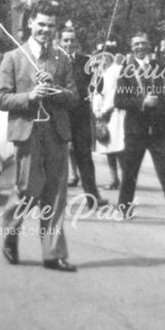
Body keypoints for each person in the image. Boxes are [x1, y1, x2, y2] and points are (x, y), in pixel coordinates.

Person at [0, 0, 79, 272]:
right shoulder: (13, 58)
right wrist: (30, 96)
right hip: (28, 132)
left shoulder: (62, 59)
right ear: (30, 23)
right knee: (27, 192)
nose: (46, 30)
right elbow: (1, 99)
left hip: (55, 133)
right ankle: (10, 234)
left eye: (51, 26)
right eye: (41, 24)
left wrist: (56, 91)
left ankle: (52, 253)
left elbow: (74, 96)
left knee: (55, 194)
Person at [114, 30, 165, 224]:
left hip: (158, 128)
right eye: (136, 44)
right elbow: (119, 100)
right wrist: (142, 102)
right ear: (131, 48)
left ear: (148, 46)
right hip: (135, 130)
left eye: (143, 43)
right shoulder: (125, 70)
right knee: (130, 172)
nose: (140, 47)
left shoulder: (156, 66)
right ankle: (124, 209)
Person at [58, 23, 108, 208]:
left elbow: (98, 87)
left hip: (80, 117)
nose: (69, 44)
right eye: (65, 40)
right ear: (59, 42)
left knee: (85, 157)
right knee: (58, 157)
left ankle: (92, 197)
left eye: (72, 40)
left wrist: (97, 73)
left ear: (76, 42)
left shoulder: (86, 61)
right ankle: (55, 197)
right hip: (60, 115)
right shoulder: (53, 61)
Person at [92, 39, 125, 190]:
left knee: (118, 148)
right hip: (102, 115)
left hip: (115, 113)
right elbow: (96, 94)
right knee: (108, 149)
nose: (103, 59)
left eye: (106, 55)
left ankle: (125, 179)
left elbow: (117, 93)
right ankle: (114, 179)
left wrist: (107, 110)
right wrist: (97, 111)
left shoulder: (118, 70)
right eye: (100, 56)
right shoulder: (99, 73)